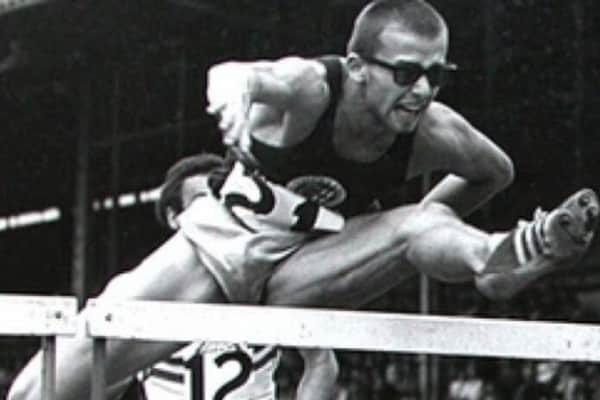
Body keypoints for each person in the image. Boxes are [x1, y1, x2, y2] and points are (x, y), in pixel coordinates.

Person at [8, 0, 598, 399]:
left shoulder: (435, 131)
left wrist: (432, 218)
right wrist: (234, 92)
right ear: (358, 67)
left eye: (436, 74)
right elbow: (239, 74)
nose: (421, 90)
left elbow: (496, 173)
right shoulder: (313, 89)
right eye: (405, 73)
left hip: (311, 268)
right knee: (44, 386)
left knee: (419, 226)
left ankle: (497, 257)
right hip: (220, 253)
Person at [129, 154, 338, 400]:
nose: (215, 211)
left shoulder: (268, 287)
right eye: (201, 200)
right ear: (173, 217)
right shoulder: (145, 297)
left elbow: (322, 364)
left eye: (220, 200)